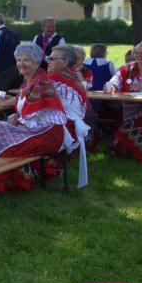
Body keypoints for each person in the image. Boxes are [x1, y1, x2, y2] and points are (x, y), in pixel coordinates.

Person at [0, 43, 66, 199]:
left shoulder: (40, 83)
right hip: (36, 129)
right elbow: (24, 100)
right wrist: (11, 104)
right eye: (19, 59)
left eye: (26, 60)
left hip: (47, 135)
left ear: (36, 62)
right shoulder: (31, 79)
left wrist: (16, 117)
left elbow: (30, 114)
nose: (21, 63)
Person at [47, 45, 90, 187]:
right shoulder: (72, 76)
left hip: (64, 131)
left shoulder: (54, 79)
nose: (48, 60)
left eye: (52, 58)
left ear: (65, 62)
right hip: (71, 130)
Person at [107, 41, 142, 163]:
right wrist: (112, 86)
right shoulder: (129, 68)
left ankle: (138, 151)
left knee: (135, 122)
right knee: (131, 121)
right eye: (137, 53)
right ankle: (129, 150)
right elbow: (116, 80)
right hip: (131, 107)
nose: (139, 55)